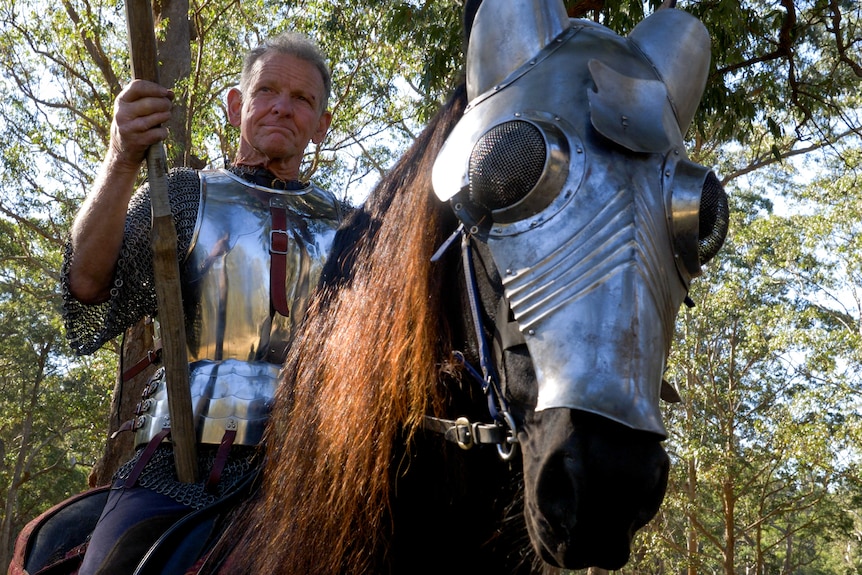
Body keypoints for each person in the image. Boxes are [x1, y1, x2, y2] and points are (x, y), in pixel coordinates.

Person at [62, 31, 344, 575]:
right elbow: (88, 284)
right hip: (178, 456)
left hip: (309, 461)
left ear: (321, 124)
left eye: (303, 99)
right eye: (268, 91)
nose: (282, 107)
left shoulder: (352, 225)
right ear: (238, 105)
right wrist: (122, 159)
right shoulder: (185, 193)